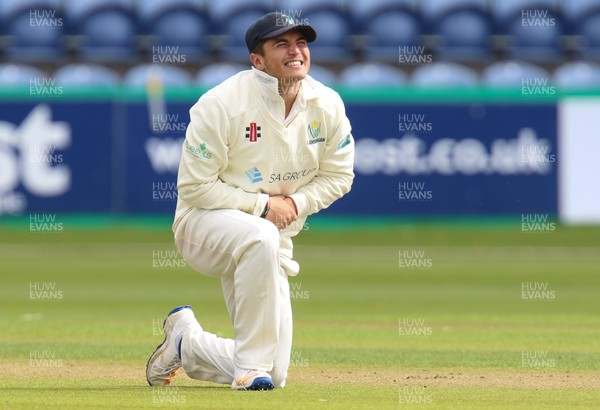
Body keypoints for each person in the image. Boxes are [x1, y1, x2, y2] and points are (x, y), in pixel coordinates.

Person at [146, 11, 354, 391]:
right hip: (202, 225)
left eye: (301, 43)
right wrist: (262, 207)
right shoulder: (221, 104)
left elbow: (340, 176)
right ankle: (248, 368)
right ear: (256, 60)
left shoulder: (327, 104)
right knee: (259, 235)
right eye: (282, 44)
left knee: (274, 376)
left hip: (272, 233)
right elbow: (194, 188)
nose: (296, 51)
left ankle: (186, 343)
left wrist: (297, 204)